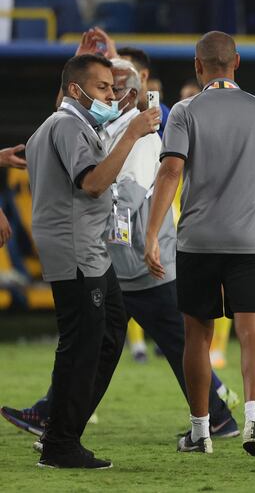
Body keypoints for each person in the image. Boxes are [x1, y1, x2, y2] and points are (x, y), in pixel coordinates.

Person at [1, 57, 243, 445]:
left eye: (115, 90)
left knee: (137, 342)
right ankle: (57, 421)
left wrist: (148, 241)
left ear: (132, 92)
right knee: (95, 344)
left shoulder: (142, 136)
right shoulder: (100, 128)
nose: (111, 96)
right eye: (103, 88)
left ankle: (216, 415)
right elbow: (66, 119)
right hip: (111, 260)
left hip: (141, 263)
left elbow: (125, 192)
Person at [144, 31, 255, 457]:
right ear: (237, 63)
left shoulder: (183, 111)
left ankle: (200, 432)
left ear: (198, 67)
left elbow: (170, 173)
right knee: (254, 333)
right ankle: (254, 420)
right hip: (250, 241)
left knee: (197, 335)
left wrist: (152, 233)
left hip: (197, 240)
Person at [25, 53, 161, 469]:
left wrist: (124, 116)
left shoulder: (66, 123)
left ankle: (61, 431)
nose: (110, 94)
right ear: (74, 91)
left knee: (107, 333)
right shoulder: (67, 126)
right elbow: (94, 183)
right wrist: (134, 132)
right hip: (77, 251)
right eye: (102, 87)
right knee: (82, 345)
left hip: (88, 250)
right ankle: (61, 442)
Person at [117, 46, 171, 135]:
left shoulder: (167, 119)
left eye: (122, 72)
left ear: (143, 75)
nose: (116, 79)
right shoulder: (108, 115)